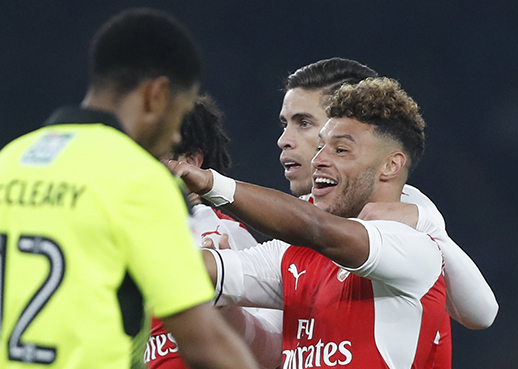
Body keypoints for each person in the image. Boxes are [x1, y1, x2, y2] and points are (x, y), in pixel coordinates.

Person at [0, 8, 259, 369]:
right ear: (157, 95)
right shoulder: (140, 182)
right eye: (179, 116)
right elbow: (205, 343)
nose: (177, 135)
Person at [169, 77, 449, 368]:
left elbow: (317, 228)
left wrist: (210, 183)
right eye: (319, 148)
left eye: (340, 150)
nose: (318, 160)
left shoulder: (411, 249)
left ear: (391, 165)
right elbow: (204, 268)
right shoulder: (291, 254)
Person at [146, 95, 282, 369]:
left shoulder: (226, 234)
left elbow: (272, 349)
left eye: (153, 156)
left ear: (192, 160)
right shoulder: (131, 239)